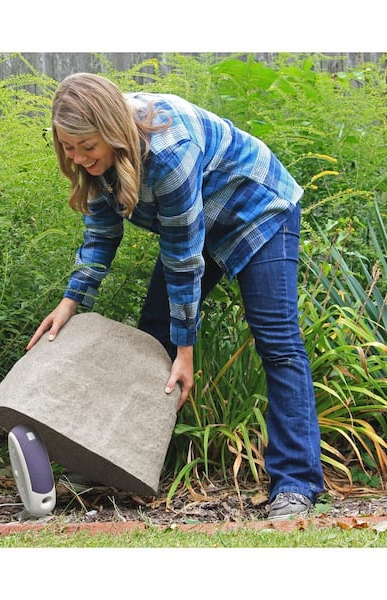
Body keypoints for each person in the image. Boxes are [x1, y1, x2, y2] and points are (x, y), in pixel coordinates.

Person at [26, 72, 324, 520]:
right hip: (199, 218)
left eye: (88, 148)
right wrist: (70, 303)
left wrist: (186, 352)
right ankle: (119, 460)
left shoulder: (168, 151)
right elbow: (101, 233)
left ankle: (296, 484)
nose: (78, 157)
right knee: (153, 335)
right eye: (69, 147)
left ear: (113, 132)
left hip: (258, 211)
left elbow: (184, 256)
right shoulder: (92, 156)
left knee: (278, 343)